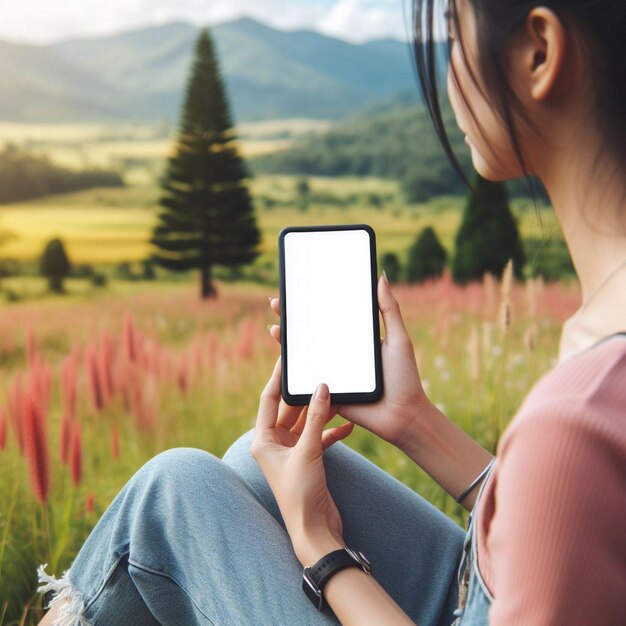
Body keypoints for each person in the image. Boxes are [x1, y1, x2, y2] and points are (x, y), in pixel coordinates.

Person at [37, 0, 625, 624]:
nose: (448, 68)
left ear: (539, 52)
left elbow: (571, 471)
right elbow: (570, 525)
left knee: (168, 497)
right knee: (254, 463)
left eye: (453, 30)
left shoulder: (574, 421)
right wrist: (414, 419)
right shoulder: (601, 353)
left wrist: (322, 545)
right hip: (489, 584)